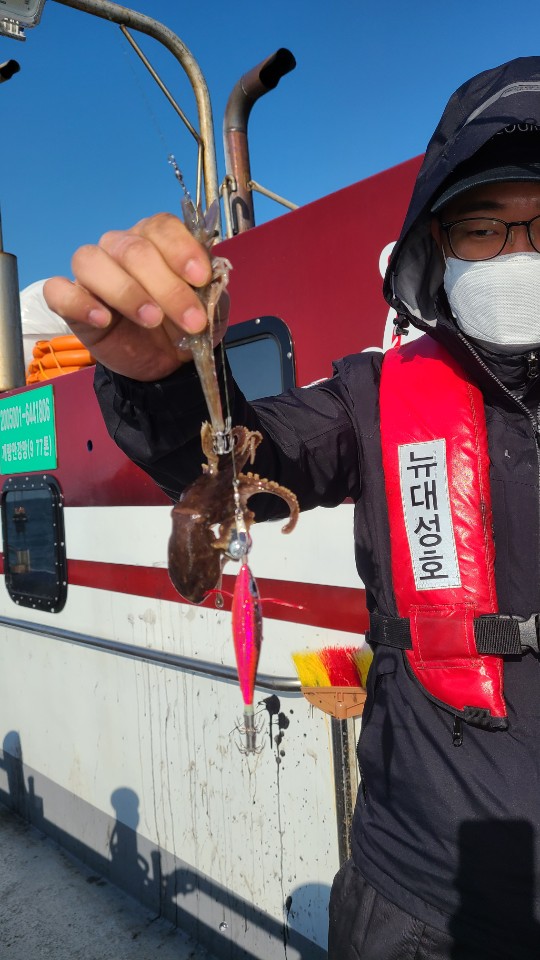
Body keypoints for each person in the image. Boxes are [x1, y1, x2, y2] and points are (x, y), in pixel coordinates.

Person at [44, 56, 540, 959]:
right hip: (420, 898)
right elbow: (237, 456)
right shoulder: (373, 397)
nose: (517, 253)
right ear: (438, 247)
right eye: (481, 227)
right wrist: (158, 380)